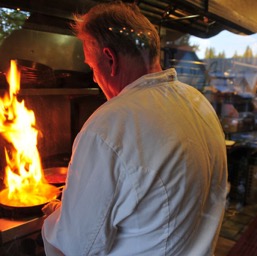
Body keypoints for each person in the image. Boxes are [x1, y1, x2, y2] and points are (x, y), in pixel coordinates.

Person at [41, 1, 228, 255]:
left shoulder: (108, 126)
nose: (94, 78)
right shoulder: (199, 104)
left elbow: (76, 246)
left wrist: (57, 216)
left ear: (110, 59)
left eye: (91, 67)